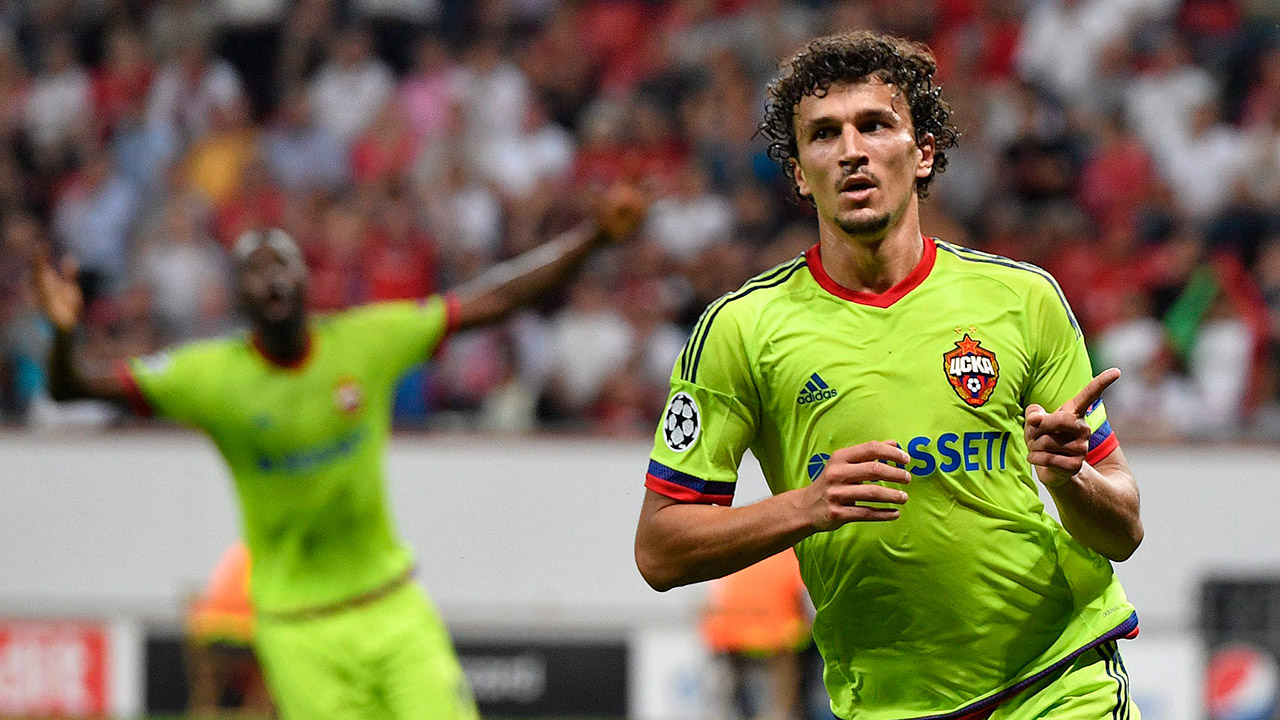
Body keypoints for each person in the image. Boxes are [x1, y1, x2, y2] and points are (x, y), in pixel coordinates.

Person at [634, 32, 1143, 720]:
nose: (851, 150)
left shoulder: (1023, 300)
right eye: (823, 135)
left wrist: (1070, 477)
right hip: (890, 704)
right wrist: (806, 506)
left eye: (875, 125)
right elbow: (660, 550)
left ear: (922, 151)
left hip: (1056, 677)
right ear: (797, 171)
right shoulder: (740, 330)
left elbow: (1124, 531)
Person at [33, 185, 646, 720]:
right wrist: (62, 334)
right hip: (299, 629)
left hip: (392, 605)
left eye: (284, 266)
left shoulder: (364, 343)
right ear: (238, 298)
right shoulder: (210, 378)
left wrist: (593, 237)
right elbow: (72, 387)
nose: (272, 279)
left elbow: (493, 299)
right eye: (255, 271)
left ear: (308, 281)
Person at [699, 548, 810, 720]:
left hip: (729, 631)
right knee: (795, 651)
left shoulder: (732, 549)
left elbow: (711, 599)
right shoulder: (790, 549)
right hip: (776, 632)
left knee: (733, 688)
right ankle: (782, 713)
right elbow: (802, 594)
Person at [184, 542, 273, 717]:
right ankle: (257, 711)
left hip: (213, 630)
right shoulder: (261, 556)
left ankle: (207, 710)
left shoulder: (236, 553)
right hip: (248, 632)